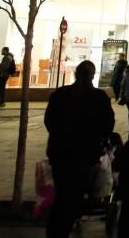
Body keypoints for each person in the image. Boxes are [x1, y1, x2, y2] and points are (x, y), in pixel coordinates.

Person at [44, 60, 115, 238]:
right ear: (93, 75)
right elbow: (108, 124)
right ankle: (63, 227)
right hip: (86, 153)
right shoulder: (99, 97)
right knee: (74, 194)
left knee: (63, 193)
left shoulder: (60, 94)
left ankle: (57, 229)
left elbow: (49, 121)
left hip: (60, 152)